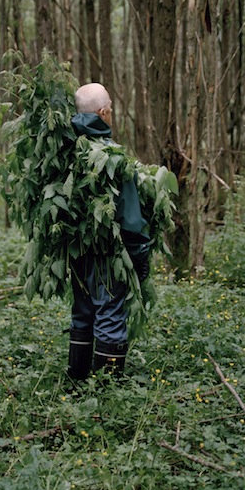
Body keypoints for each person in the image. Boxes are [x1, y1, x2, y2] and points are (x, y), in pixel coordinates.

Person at [67, 83, 151, 381]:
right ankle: (107, 393)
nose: (112, 115)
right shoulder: (114, 159)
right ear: (103, 113)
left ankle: (77, 383)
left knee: (83, 312)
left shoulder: (65, 151)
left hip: (76, 253)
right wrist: (140, 259)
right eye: (111, 110)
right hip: (110, 255)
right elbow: (130, 220)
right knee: (110, 314)